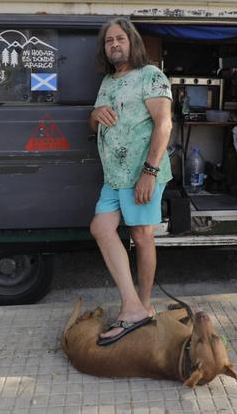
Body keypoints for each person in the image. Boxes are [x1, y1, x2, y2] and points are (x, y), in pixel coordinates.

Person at [89, 18, 173, 346]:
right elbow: (92, 125)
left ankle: (143, 305)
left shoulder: (151, 76)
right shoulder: (108, 82)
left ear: (132, 42)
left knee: (141, 235)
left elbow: (164, 125)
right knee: (101, 228)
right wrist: (95, 116)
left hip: (141, 173)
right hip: (114, 176)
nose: (114, 45)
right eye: (109, 41)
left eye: (120, 39)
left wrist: (149, 173)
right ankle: (134, 306)